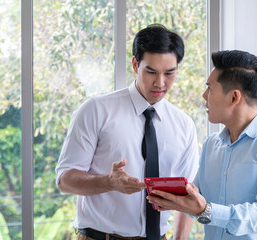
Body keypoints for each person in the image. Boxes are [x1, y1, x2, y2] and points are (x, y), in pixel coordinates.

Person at [55, 24, 199, 240]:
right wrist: (108, 182)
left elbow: (187, 196)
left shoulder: (184, 125)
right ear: (135, 64)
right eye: (151, 72)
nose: (160, 83)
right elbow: (65, 180)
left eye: (169, 73)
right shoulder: (96, 110)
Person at [147, 50, 257, 239]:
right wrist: (173, 197)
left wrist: (206, 210)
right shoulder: (212, 145)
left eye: (210, 88)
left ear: (234, 97)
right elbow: (197, 201)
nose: (204, 95)